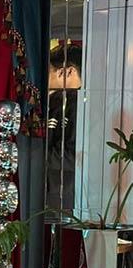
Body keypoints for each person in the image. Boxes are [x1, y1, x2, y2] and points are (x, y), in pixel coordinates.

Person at [46, 43, 83, 212]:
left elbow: (73, 156)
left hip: (62, 199)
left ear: (67, 72)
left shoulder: (75, 106)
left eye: (49, 70)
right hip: (58, 196)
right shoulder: (56, 103)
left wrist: (32, 157)